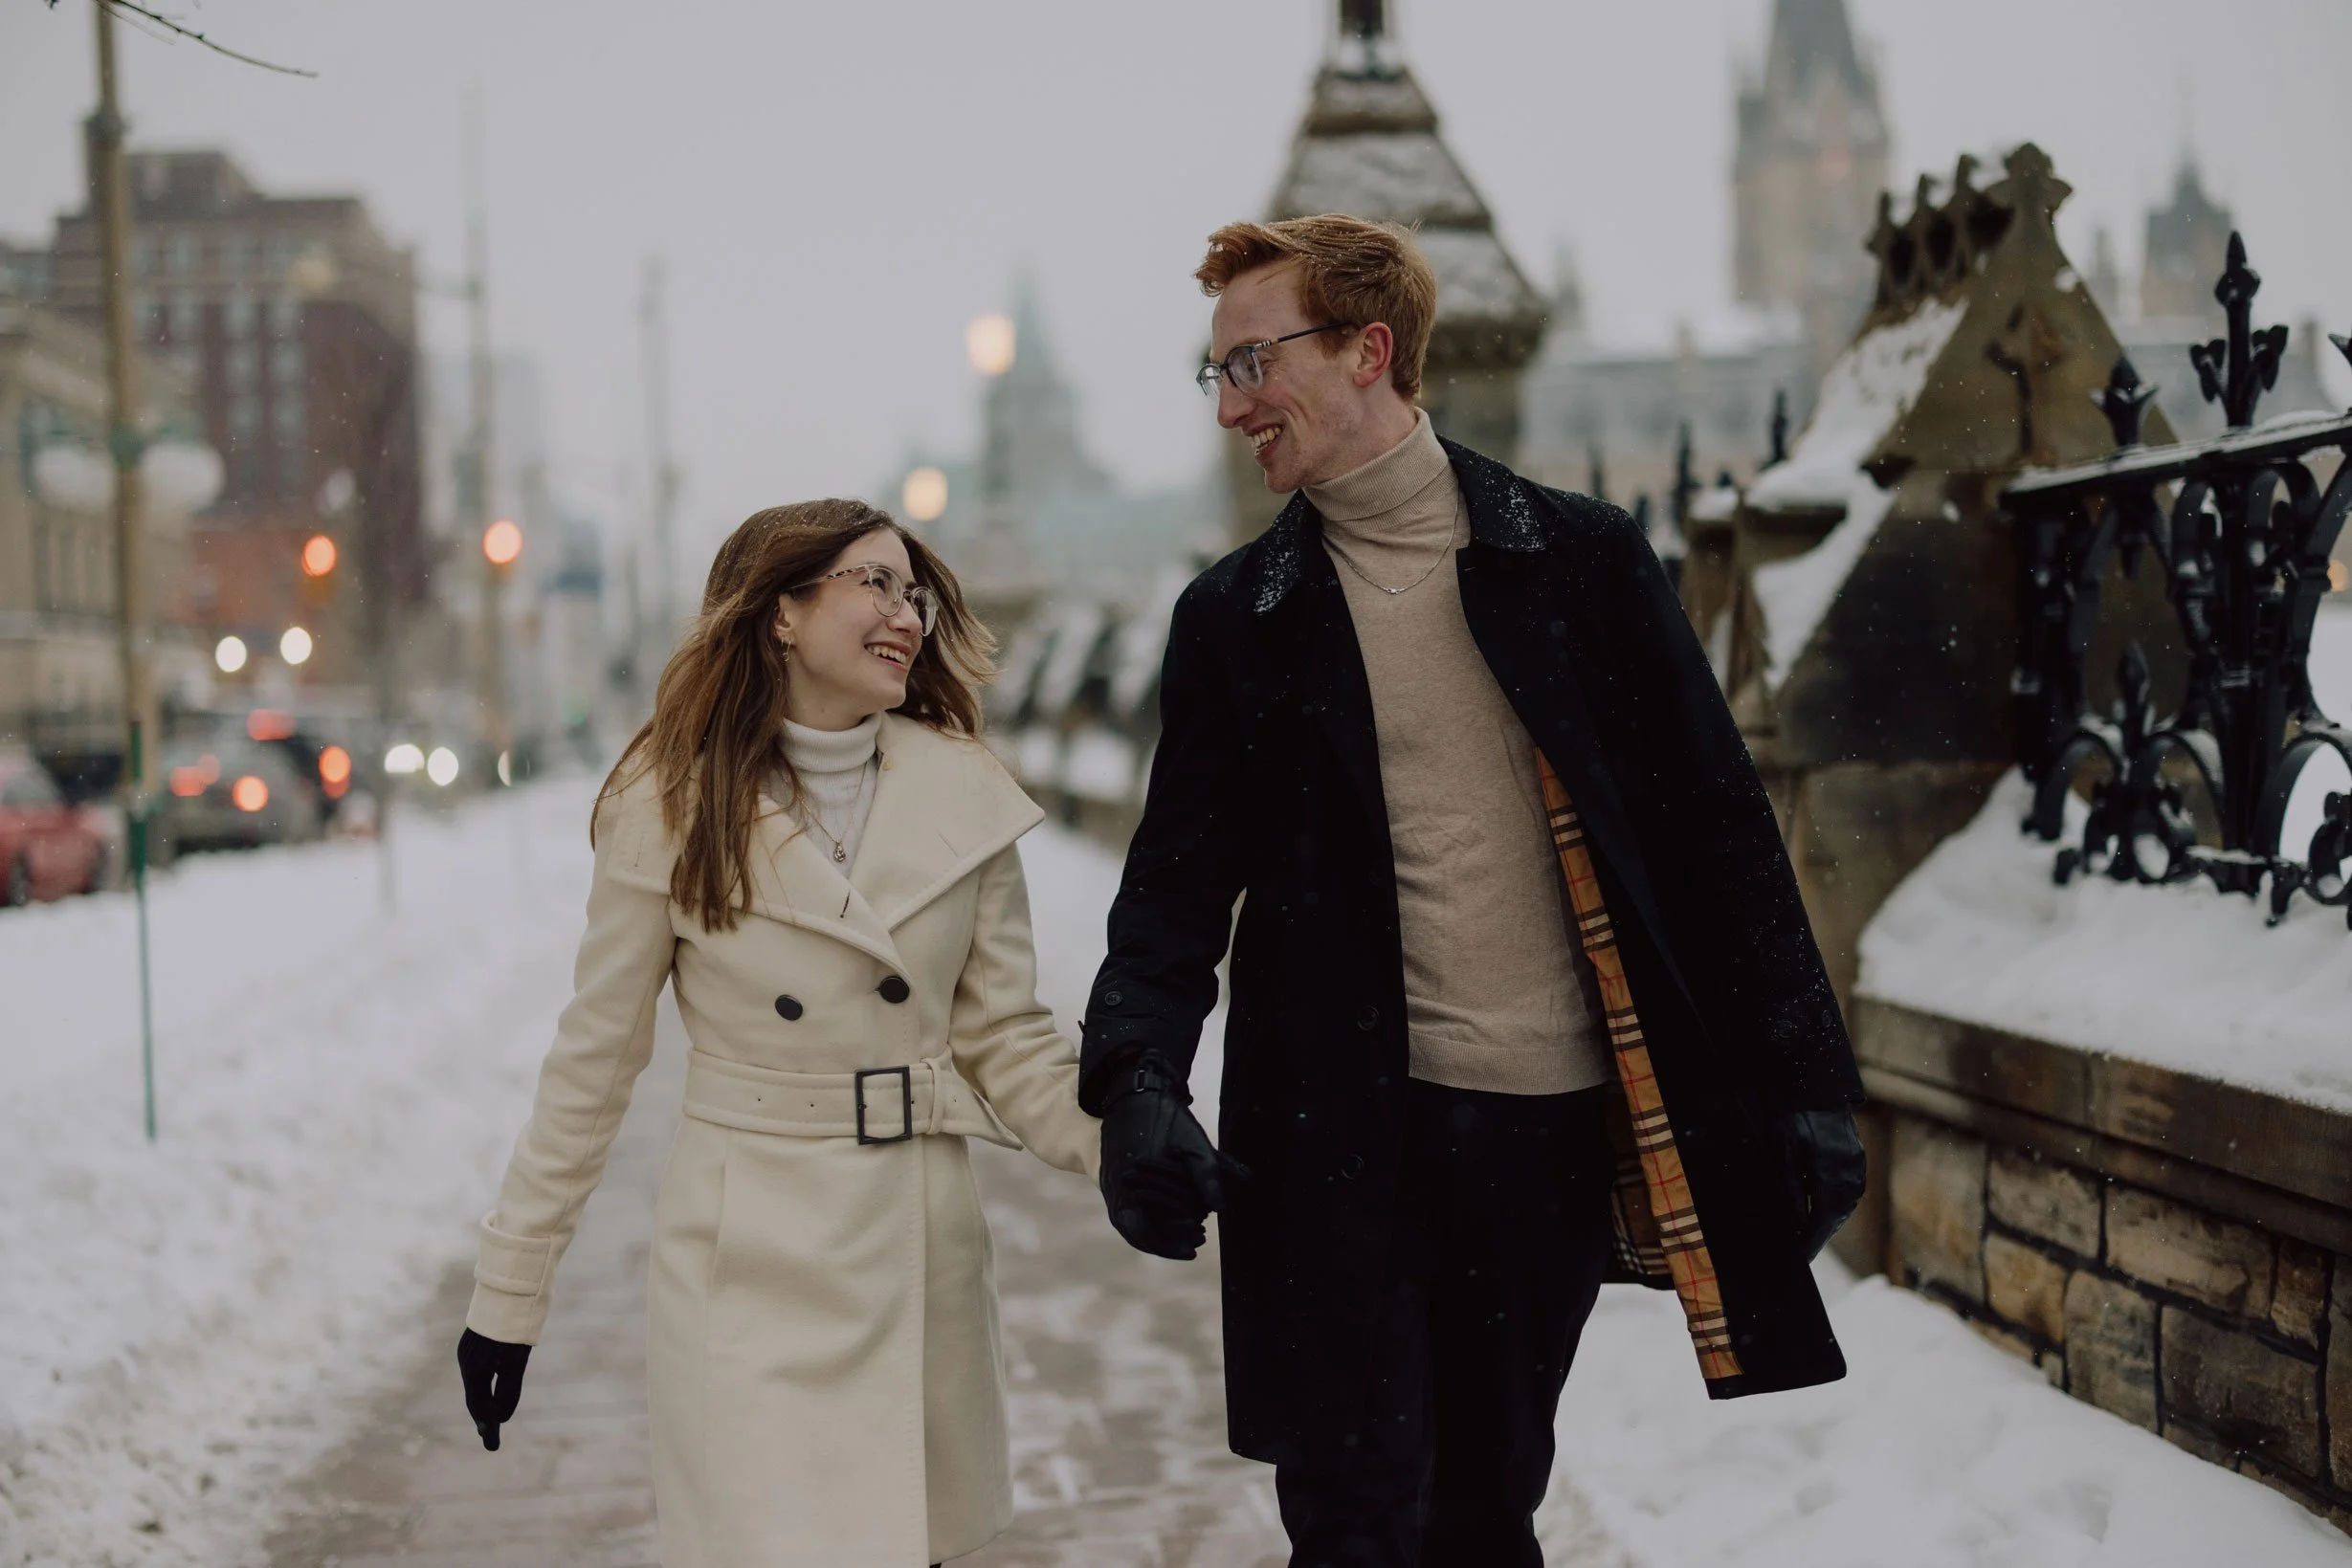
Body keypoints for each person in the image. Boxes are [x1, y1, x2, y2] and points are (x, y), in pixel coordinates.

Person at [1080, 215, 1867, 1566]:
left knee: (1483, 1510)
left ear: (1368, 350)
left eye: (1252, 362)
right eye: (1213, 373)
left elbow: (1718, 833)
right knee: (1351, 1517)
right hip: (1328, 1137)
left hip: (1540, 1133)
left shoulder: (1580, 559)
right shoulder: (1235, 617)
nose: (1230, 406)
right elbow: (1172, 885)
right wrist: (1136, 1076)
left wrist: (1804, 1076)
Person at [455, 499, 1099, 1568]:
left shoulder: (964, 797)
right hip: (748, 1270)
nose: (906, 614)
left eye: (914, 592)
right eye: (873, 583)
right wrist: (507, 1297)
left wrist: (1126, 1147)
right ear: (783, 614)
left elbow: (1005, 1044)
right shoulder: (669, 803)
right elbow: (592, 1067)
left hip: (918, 1259)